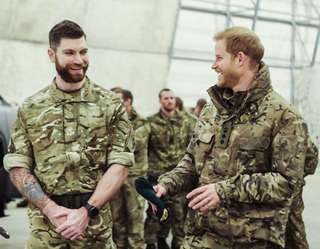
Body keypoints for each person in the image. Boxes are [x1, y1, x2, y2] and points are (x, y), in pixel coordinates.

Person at [153, 26, 317, 249]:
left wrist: (223, 190)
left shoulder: (284, 117)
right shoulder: (212, 111)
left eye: (219, 57)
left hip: (250, 241)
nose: (214, 65)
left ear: (240, 59)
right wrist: (165, 184)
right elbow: (192, 162)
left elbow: (287, 183)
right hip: (199, 237)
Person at [3, 20, 134, 249]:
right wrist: (50, 209)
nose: (79, 60)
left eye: (83, 51)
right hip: (46, 230)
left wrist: (86, 211)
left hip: (95, 230)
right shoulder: (31, 108)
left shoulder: (110, 104)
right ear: (52, 54)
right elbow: (18, 167)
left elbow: (120, 165)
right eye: (69, 52)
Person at [145, 88, 195, 249]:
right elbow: (144, 148)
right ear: (160, 101)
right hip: (157, 176)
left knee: (179, 215)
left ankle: (177, 244)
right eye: (166, 98)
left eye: (172, 98)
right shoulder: (150, 122)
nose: (170, 101)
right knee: (154, 214)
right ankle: (152, 242)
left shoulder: (188, 121)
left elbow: (194, 148)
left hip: (179, 178)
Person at [110, 88, 150, 249]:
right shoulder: (111, 120)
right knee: (116, 219)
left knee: (135, 219)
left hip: (134, 177)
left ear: (128, 101)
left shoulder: (141, 122)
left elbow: (133, 144)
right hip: (113, 176)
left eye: (117, 100)